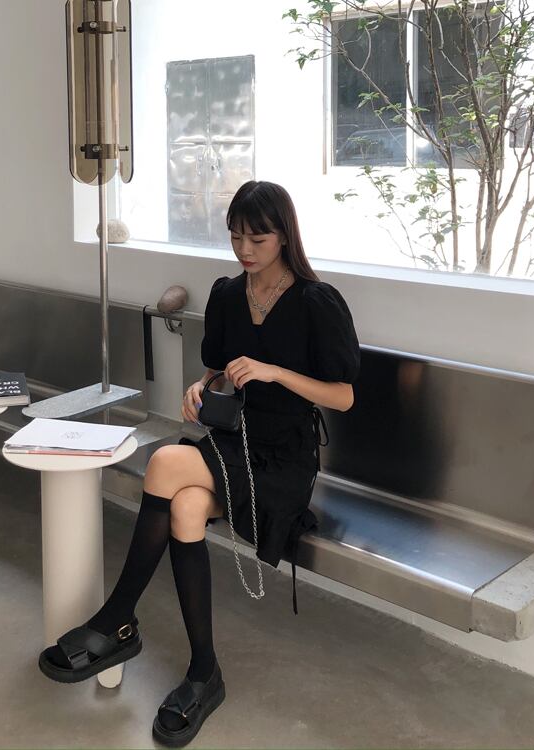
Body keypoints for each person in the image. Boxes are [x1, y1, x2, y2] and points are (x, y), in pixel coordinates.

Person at [37, 180, 361, 747]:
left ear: (284, 236)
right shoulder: (229, 294)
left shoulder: (316, 301)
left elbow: (343, 396)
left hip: (285, 457)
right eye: (235, 237)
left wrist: (275, 372)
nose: (244, 250)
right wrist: (200, 386)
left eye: (257, 238)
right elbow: (218, 368)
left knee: (165, 464)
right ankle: (204, 672)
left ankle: (117, 619)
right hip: (236, 440)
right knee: (185, 508)